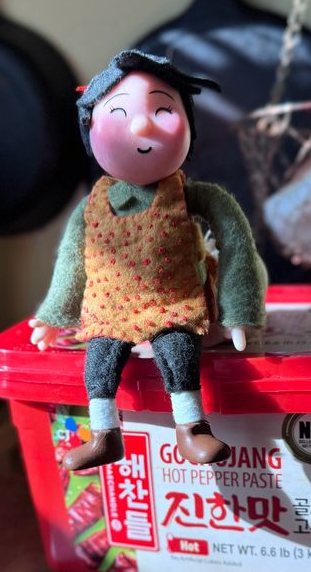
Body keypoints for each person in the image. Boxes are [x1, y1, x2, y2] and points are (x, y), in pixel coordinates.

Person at [30, 49, 266, 471]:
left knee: (179, 351)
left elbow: (236, 243)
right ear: (91, 131)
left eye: (162, 109)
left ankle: (191, 428)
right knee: (98, 364)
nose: (142, 126)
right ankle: (105, 435)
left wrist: (237, 310)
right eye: (119, 113)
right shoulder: (93, 205)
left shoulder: (194, 195)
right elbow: (71, 261)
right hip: (109, 311)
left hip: (173, 304)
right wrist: (53, 315)